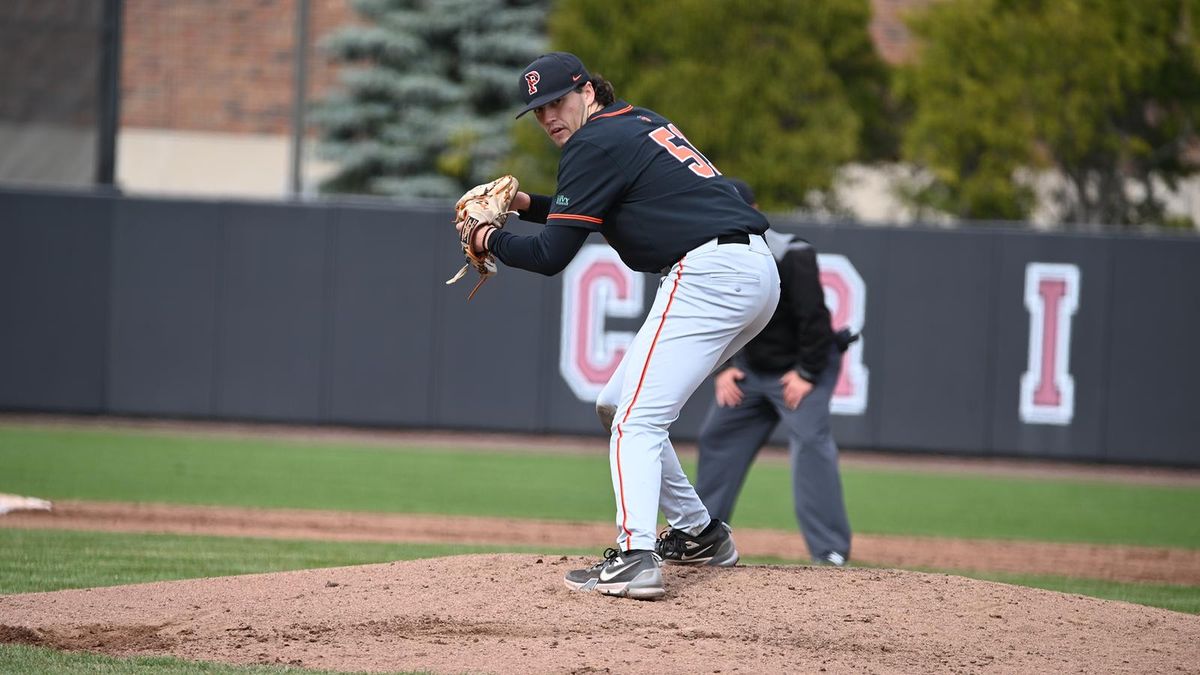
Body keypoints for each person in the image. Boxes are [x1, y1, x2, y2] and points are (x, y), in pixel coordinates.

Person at [458, 52, 780, 599]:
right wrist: (524, 203)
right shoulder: (635, 123)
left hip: (707, 272)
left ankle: (635, 557)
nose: (549, 117)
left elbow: (550, 255)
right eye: (538, 111)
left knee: (635, 420)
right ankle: (699, 533)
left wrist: (489, 240)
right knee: (618, 402)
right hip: (751, 271)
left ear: (587, 91)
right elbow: (593, 210)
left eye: (556, 101)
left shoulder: (591, 144)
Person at [693, 177, 854, 566]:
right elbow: (717, 321)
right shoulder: (711, 254)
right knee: (716, 437)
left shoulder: (790, 254)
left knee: (811, 445)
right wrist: (724, 369)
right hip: (750, 371)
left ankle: (830, 551)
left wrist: (808, 374)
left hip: (800, 368)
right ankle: (702, 540)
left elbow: (815, 321)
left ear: (753, 211)